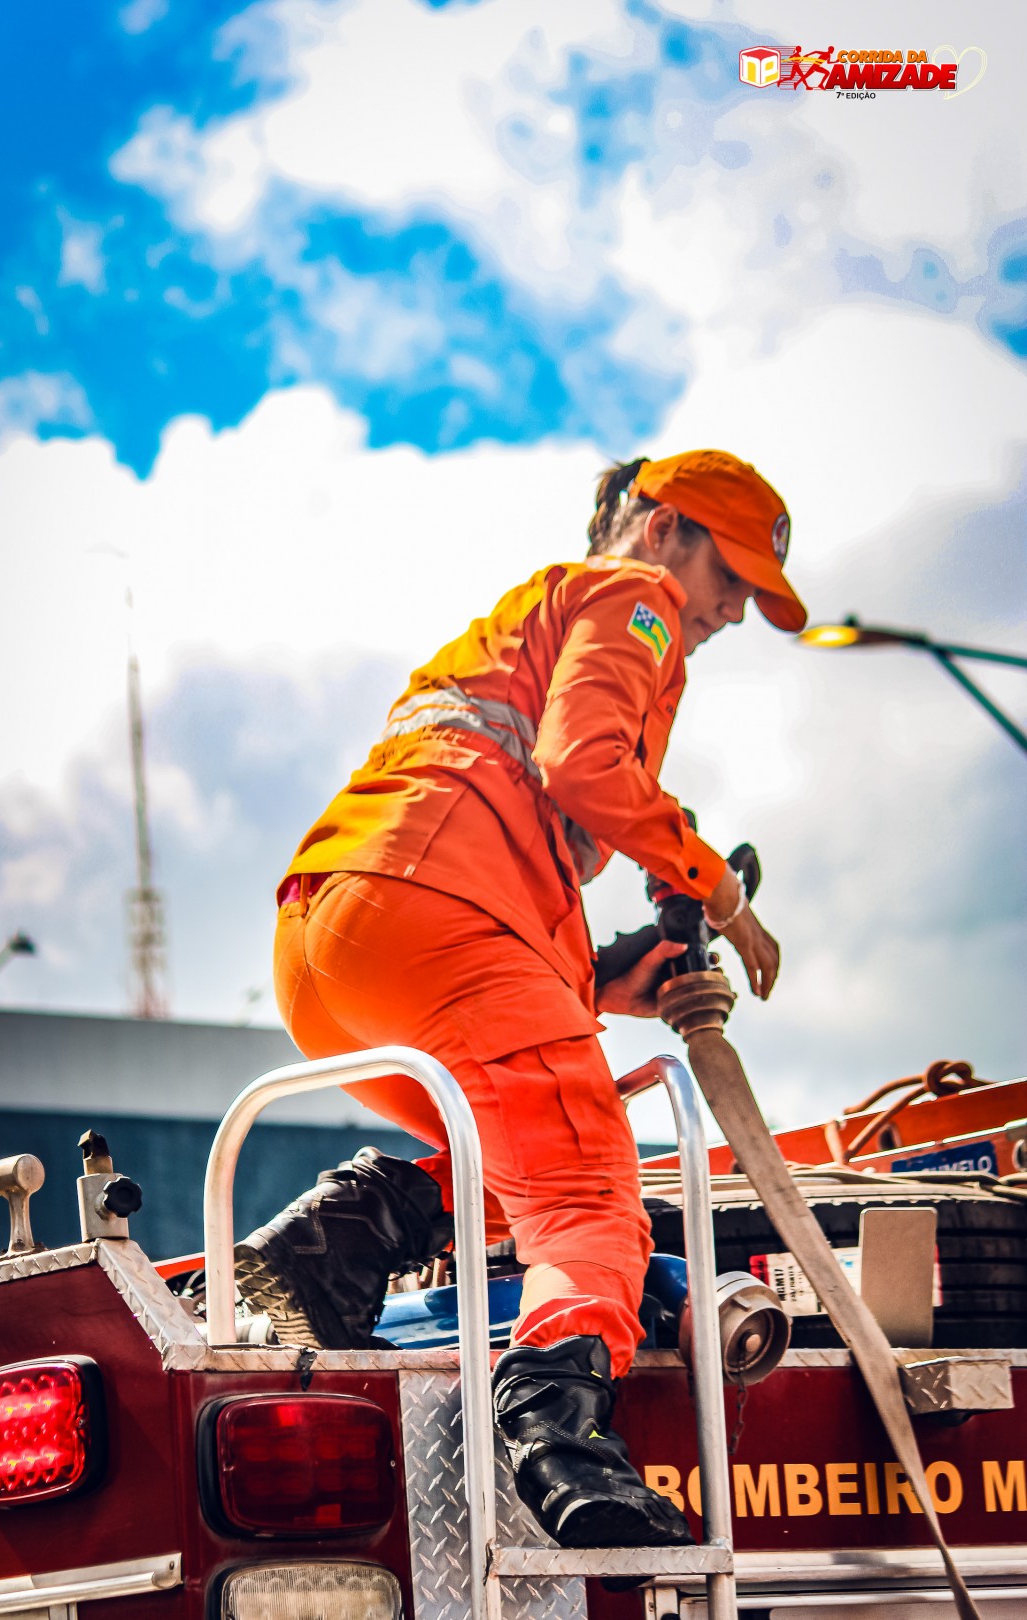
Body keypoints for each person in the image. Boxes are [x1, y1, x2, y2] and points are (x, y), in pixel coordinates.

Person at [235, 448, 805, 1549]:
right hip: (441, 913)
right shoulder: (631, 595)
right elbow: (585, 768)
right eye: (730, 575)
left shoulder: (530, 626)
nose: (733, 610)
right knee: (593, 1200)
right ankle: (561, 1449)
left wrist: (608, 978)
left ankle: (330, 1242)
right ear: (661, 529)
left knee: (525, 1179)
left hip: (336, 934)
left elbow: (516, 820)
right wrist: (720, 895)